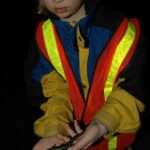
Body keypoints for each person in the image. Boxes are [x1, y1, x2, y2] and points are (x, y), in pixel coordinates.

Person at [25, 0, 149, 149]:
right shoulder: (44, 37)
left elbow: (134, 87)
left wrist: (101, 124)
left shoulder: (122, 32)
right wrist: (55, 131)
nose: (57, 0)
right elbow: (52, 94)